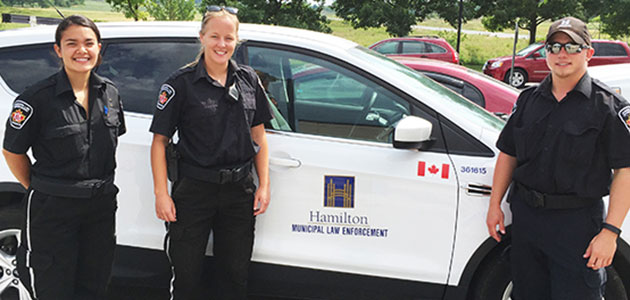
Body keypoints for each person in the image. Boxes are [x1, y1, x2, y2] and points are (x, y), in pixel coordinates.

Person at [486, 16, 630, 299]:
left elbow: (625, 172)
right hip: (527, 218)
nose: (562, 54)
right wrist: (495, 204)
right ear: (545, 53)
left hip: (576, 226)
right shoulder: (527, 100)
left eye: (572, 46)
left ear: (588, 53)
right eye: (554, 46)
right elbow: (508, 153)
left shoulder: (608, 107)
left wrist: (610, 233)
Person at [149, 5, 272, 300]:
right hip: (193, 191)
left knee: (234, 274)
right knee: (187, 274)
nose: (222, 44)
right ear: (202, 37)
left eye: (229, 38)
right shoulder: (180, 84)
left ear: (236, 41)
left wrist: (264, 185)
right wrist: (161, 194)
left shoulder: (248, 80)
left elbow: (259, 136)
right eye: (215, 36)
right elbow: (159, 142)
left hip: (238, 191)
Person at [2, 15, 126, 299]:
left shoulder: (110, 94)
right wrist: (41, 188)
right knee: (52, 289)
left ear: (99, 48)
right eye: (72, 43)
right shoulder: (36, 99)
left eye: (88, 43)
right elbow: (12, 150)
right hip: (53, 210)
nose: (81, 50)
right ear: (58, 50)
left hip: (100, 208)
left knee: (93, 287)